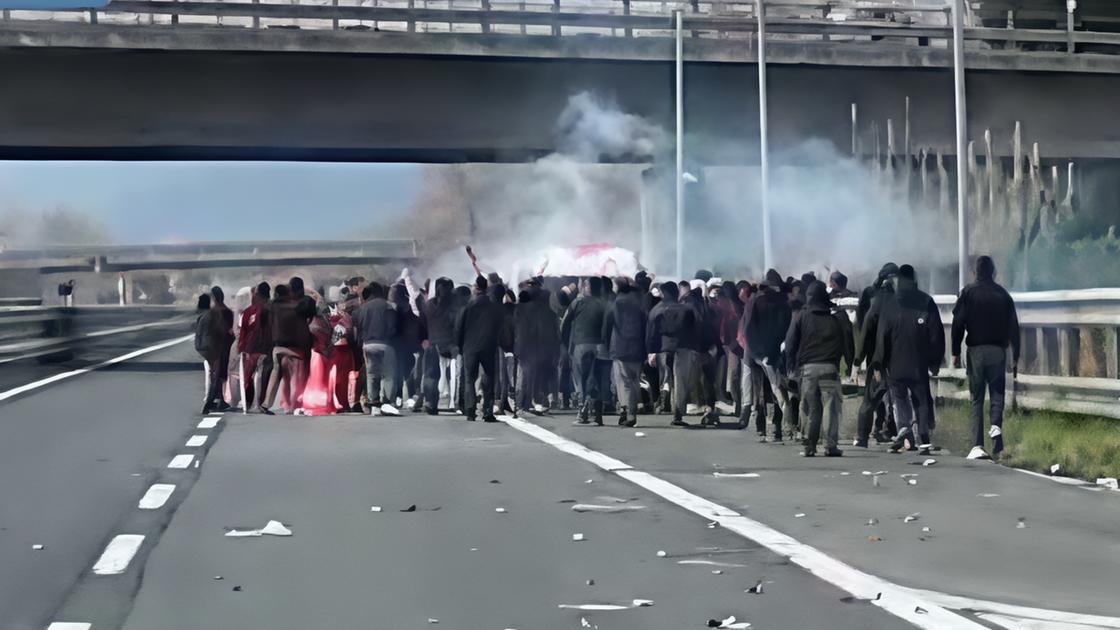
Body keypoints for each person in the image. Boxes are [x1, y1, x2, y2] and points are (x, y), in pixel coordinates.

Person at [951, 255, 1020, 460]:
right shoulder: (1003, 295)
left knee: (977, 397)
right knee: (997, 393)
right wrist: (1015, 354)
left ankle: (977, 445)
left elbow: (957, 324)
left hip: (976, 351)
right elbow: (1014, 327)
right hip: (998, 351)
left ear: (975, 273)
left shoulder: (967, 293)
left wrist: (954, 351)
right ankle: (996, 426)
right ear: (994, 272)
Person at [873, 264, 944, 456]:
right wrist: (935, 361)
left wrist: (879, 363)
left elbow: (882, 336)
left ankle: (904, 431)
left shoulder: (890, 304)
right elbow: (936, 334)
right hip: (918, 363)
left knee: (899, 398)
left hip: (895, 364)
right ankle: (923, 437)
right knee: (920, 400)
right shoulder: (926, 301)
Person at [784, 281, 853, 457]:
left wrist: (790, 366)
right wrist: (849, 364)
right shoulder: (836, 318)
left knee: (811, 408)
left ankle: (810, 445)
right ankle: (830, 446)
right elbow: (846, 343)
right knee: (831, 408)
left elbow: (790, 343)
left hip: (807, 370)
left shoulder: (801, 316)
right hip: (830, 368)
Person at [742, 269, 792, 442]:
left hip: (758, 353)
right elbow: (787, 330)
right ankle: (776, 426)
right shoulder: (783, 303)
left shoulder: (754, 302)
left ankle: (764, 427)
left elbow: (747, 329)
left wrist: (756, 352)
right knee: (776, 388)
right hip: (775, 352)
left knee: (762, 391)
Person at [853, 263, 899, 447]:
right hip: (892, 357)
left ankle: (865, 435)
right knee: (894, 398)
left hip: (876, 356)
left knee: (873, 398)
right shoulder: (897, 301)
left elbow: (863, 328)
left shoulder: (874, 298)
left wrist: (858, 359)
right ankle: (891, 431)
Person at [646, 281, 700, 427]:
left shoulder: (657, 310)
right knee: (681, 381)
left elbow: (651, 333)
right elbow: (694, 331)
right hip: (684, 348)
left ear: (663, 293)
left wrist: (651, 351)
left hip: (664, 349)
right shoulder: (687, 310)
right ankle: (678, 411)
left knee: (666, 379)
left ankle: (666, 404)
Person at [455, 275, 506, 423]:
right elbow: (499, 326)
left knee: (470, 379)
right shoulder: (494, 307)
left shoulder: (468, 306)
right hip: (489, 347)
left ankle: (470, 411)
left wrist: (459, 346)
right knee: (489, 378)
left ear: (476, 288)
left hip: (469, 347)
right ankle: (488, 411)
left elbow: (459, 328)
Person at [561, 277, 610, 426]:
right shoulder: (604, 304)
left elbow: (565, 323)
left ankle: (582, 412)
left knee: (581, 379)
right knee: (599, 379)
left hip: (581, 345)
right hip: (601, 346)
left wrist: (564, 343)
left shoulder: (578, 302)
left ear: (586, 287)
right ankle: (598, 414)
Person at [602, 277, 646, 427]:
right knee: (634, 380)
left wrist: (608, 345)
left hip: (620, 347)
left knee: (623, 381)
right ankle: (632, 408)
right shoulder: (640, 301)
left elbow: (608, 325)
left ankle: (628, 411)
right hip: (638, 347)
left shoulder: (617, 302)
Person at [261, 284, 310, 414]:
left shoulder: (272, 307)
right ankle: (293, 406)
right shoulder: (296, 307)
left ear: (276, 294)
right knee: (294, 377)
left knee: (275, 374)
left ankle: (266, 403)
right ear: (288, 293)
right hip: (295, 348)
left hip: (277, 347)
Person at [513, 281, 560, 417]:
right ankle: (537, 401)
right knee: (539, 376)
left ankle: (526, 403)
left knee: (527, 376)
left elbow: (516, 328)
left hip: (525, 347)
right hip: (543, 347)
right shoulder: (547, 311)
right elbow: (553, 330)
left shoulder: (521, 308)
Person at [353, 282, 399, 416]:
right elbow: (393, 327)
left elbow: (358, 327)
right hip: (385, 343)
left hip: (368, 344)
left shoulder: (362, 308)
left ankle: (374, 402)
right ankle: (388, 402)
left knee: (372, 374)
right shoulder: (388, 305)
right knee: (389, 374)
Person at [421, 278, 458, 415]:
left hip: (432, 343)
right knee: (455, 375)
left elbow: (422, 323)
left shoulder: (429, 305)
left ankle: (431, 401)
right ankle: (456, 402)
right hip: (452, 345)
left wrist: (424, 338)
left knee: (431, 375)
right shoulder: (456, 305)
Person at [389, 282, 425, 409]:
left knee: (399, 373)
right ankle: (409, 397)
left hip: (398, 346)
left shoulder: (393, 311)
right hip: (409, 347)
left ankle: (399, 398)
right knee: (407, 373)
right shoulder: (410, 311)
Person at [238, 282, 272, 412]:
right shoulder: (271, 309)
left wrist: (241, 347)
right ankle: (259, 403)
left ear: (257, 295)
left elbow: (243, 332)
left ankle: (249, 402)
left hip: (250, 349)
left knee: (248, 377)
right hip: (265, 348)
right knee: (261, 375)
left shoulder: (249, 311)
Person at [202, 286, 235, 414]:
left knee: (213, 374)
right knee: (220, 374)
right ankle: (216, 400)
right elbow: (229, 330)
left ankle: (212, 400)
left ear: (214, 298)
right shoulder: (227, 311)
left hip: (212, 347)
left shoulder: (211, 313)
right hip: (224, 346)